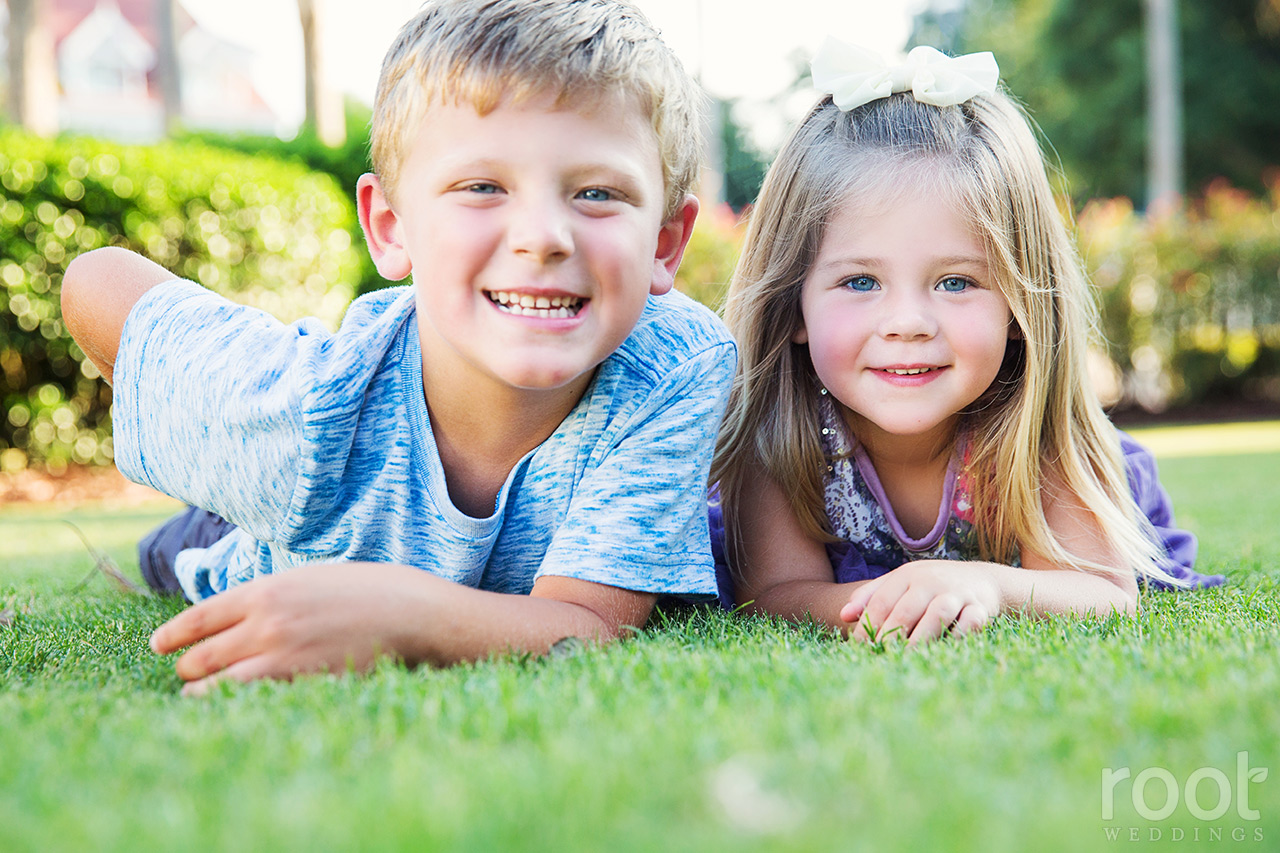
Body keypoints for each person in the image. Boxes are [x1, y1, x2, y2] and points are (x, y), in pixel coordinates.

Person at [60, 0, 735, 694]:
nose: (543, 237)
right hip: (260, 515)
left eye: (596, 192)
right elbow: (94, 281)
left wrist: (396, 612)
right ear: (389, 227)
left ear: (664, 242)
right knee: (202, 535)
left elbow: (588, 620)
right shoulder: (303, 407)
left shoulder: (674, 363)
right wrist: (226, 431)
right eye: (482, 186)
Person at [709, 41, 1222, 645]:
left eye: (956, 282)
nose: (907, 323)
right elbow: (775, 597)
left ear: (1017, 304)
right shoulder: (777, 438)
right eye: (860, 281)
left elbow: (1104, 593)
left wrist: (985, 586)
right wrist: (901, 604)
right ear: (794, 303)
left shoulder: (1038, 431)